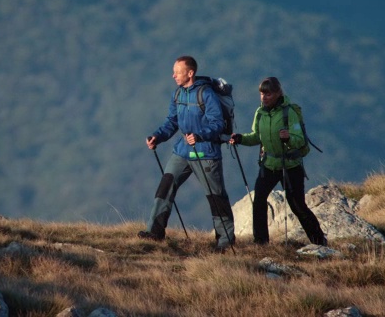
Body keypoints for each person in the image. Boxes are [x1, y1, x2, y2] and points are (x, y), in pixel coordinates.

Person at [139, 55, 235, 252]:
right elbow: (172, 122)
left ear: (190, 73)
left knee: (216, 197)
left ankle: (225, 241)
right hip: (182, 151)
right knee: (165, 186)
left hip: (206, 153)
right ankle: (154, 233)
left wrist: (200, 136)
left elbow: (217, 124)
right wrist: (157, 137)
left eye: (177, 72)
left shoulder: (206, 94)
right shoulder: (178, 94)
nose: (173, 75)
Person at [229, 77, 327, 246]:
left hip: (290, 166)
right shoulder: (260, 113)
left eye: (268, 94)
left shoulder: (289, 113)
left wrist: (289, 137)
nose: (264, 97)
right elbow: (255, 137)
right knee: (258, 201)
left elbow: (300, 140)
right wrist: (240, 139)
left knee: (297, 205)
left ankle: (319, 241)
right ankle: (261, 243)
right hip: (268, 164)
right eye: (261, 93)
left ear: (277, 94)